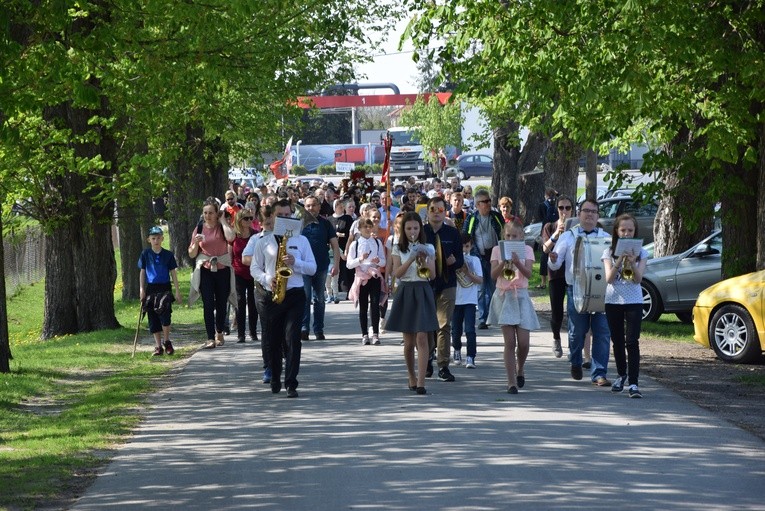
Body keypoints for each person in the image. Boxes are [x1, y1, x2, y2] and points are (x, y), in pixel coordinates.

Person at [251, 199, 317, 398]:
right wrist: (266, 279)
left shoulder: (301, 241)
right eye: (281, 215)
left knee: (292, 338)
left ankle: (291, 383)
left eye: (288, 215)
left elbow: (312, 268)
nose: (285, 219)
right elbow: (255, 268)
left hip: (295, 293)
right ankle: (275, 376)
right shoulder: (263, 242)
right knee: (273, 338)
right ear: (273, 217)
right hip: (274, 293)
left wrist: (296, 262)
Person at [548, 198, 612, 386]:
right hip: (576, 290)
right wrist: (552, 259)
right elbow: (556, 263)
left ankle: (599, 373)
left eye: (593, 211)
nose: (590, 214)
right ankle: (576, 361)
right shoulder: (568, 236)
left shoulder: (606, 238)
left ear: (598, 215)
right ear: (579, 214)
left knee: (602, 332)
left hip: (601, 291)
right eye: (586, 211)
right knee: (577, 332)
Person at [385, 212, 438, 395]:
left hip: (422, 290)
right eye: (408, 228)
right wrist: (411, 259)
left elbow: (432, 275)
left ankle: (422, 382)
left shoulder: (429, 247)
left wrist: (424, 258)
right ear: (403, 230)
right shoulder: (397, 248)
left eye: (415, 228)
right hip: (406, 290)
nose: (412, 231)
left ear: (420, 229)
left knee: (422, 337)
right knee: (408, 341)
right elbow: (397, 273)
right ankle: (411, 376)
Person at [488, 220, 541, 394]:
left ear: (521, 237)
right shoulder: (497, 250)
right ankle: (511, 382)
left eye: (515, 236)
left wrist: (517, 263)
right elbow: (494, 275)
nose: (511, 239)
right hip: (504, 295)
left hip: (521, 296)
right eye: (508, 236)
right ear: (504, 236)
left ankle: (520, 368)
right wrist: (504, 262)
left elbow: (528, 273)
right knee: (510, 342)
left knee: (524, 343)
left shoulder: (527, 250)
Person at [602, 214, 648, 398]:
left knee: (632, 341)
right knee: (618, 341)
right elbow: (609, 279)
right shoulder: (608, 252)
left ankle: (634, 383)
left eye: (630, 230)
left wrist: (633, 260)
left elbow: (638, 279)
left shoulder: (642, 252)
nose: (627, 234)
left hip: (634, 301)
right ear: (616, 231)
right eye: (623, 230)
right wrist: (620, 260)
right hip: (613, 301)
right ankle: (622, 375)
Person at [424, 196, 463, 382]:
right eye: (433, 209)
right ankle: (427, 358)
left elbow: (460, 259)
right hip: (426, 283)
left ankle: (443, 365)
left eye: (440, 210)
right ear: (428, 211)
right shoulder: (422, 231)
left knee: (444, 324)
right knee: (427, 325)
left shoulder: (452, 233)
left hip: (448, 283)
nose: (436, 213)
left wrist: (453, 262)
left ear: (444, 211)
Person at [188, 197, 236, 349]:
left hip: (222, 269)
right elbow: (191, 254)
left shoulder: (222, 227)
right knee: (208, 303)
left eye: (210, 213)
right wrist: (195, 242)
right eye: (205, 213)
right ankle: (210, 337)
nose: (207, 216)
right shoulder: (199, 228)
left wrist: (223, 221)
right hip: (206, 270)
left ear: (217, 213)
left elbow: (231, 238)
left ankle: (219, 331)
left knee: (222, 302)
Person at [300, 195, 341, 341]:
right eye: (308, 205)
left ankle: (318, 329)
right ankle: (304, 328)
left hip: (321, 266)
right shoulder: (299, 223)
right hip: (303, 267)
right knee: (305, 297)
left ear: (319, 206)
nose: (311, 208)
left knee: (319, 299)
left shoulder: (326, 223)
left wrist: (336, 265)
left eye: (314, 205)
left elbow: (335, 246)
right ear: (304, 207)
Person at [243, 205, 275, 384]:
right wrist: (261, 259)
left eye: (273, 222)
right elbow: (245, 258)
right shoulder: (256, 239)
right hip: (263, 287)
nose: (270, 226)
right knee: (267, 329)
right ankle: (268, 366)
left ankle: (281, 357)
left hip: (284, 287)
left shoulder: (283, 237)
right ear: (261, 223)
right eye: (267, 223)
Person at [138, 226, 182, 356]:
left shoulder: (168, 255)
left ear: (162, 239)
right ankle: (157, 346)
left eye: (158, 238)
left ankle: (167, 341)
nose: (156, 241)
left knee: (165, 315)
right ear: (149, 240)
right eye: (153, 238)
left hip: (165, 287)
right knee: (153, 317)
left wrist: (177, 291)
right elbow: (142, 272)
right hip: (151, 288)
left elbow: (173, 273)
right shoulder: (145, 254)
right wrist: (141, 289)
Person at [464, 189, 504, 329]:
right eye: (484, 202)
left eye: (489, 201)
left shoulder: (496, 217)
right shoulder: (472, 218)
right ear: (477, 204)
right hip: (478, 257)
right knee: (480, 290)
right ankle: (482, 318)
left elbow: (504, 234)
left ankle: (495, 316)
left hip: (494, 258)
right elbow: (466, 237)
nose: (487, 204)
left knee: (494, 288)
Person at [540, 195, 574, 358]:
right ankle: (556, 338)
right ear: (557, 210)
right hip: (556, 274)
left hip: (573, 274)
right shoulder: (549, 226)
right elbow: (545, 249)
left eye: (568, 208)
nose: (564, 211)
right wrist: (556, 233)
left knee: (574, 311)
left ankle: (573, 345)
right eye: (561, 208)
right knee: (557, 311)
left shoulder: (576, 228)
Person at [346, 218, 386, 345]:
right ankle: (364, 334)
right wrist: (360, 259)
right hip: (362, 277)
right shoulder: (355, 244)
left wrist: (377, 261)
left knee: (375, 305)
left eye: (370, 227)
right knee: (363, 306)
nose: (368, 229)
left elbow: (383, 260)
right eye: (365, 227)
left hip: (374, 275)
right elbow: (349, 264)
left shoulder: (377, 242)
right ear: (360, 229)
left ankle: (375, 334)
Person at [451, 232, 482, 368]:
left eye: (467, 246)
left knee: (470, 330)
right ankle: (457, 350)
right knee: (455, 331)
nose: (464, 249)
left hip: (470, 300)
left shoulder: (475, 260)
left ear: (471, 246)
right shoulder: (455, 260)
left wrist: (467, 272)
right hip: (456, 299)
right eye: (462, 246)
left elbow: (480, 280)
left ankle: (470, 357)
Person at [232, 209, 258, 343]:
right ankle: (241, 333)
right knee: (240, 301)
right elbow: (230, 253)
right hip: (238, 272)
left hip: (254, 272)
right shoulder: (234, 236)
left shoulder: (256, 235)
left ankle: (253, 332)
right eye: (246, 218)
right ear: (239, 220)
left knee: (253, 302)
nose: (249, 221)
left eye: (250, 218)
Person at [536, 188, 559, 289]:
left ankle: (543, 282)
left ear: (545, 195)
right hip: (556, 229)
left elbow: (541, 217)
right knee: (556, 253)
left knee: (544, 255)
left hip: (545, 230)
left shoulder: (542, 205)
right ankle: (553, 278)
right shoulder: (557, 204)